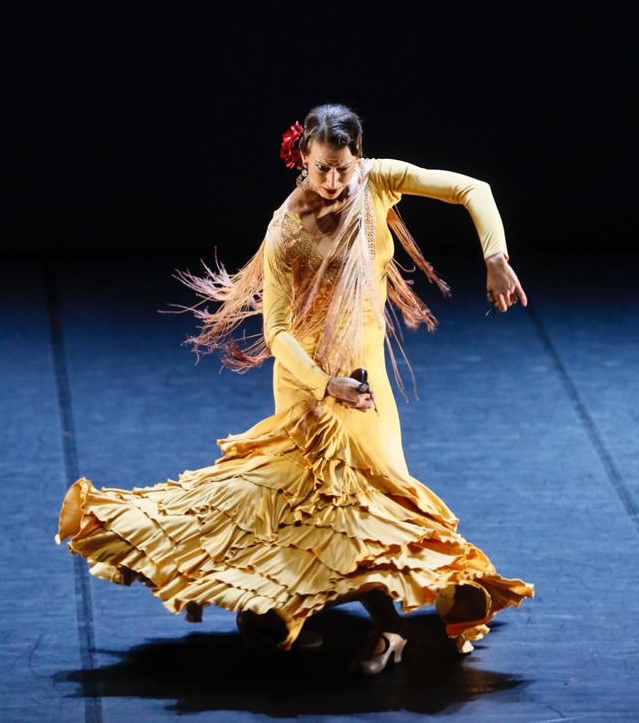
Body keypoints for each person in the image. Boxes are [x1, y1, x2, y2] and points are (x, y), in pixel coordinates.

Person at [56, 103, 534, 675]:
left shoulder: (377, 182)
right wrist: (324, 384)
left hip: (364, 373)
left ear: (358, 158)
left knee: (377, 494)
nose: (333, 181)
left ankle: (306, 607)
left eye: (343, 168)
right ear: (302, 158)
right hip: (310, 378)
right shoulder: (285, 227)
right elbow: (276, 331)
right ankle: (377, 627)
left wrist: (496, 256)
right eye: (322, 169)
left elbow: (470, 188)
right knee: (315, 498)